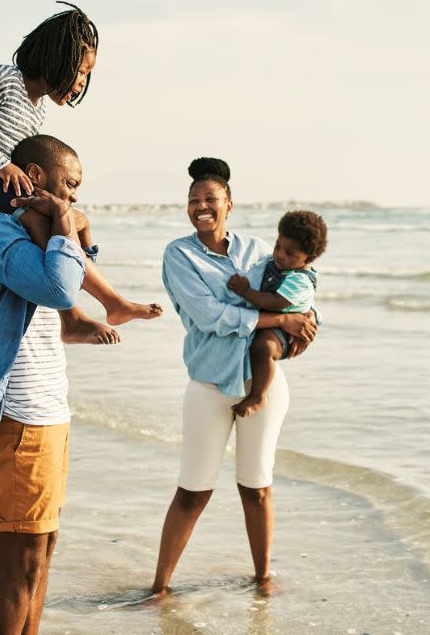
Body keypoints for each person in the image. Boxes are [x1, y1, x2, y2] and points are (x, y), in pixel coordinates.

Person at [0, 1, 161, 345]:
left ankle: (94, 297)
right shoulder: (4, 79)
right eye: (80, 71)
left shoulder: (37, 111)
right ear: (57, 58)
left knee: (69, 217)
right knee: (43, 217)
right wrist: (1, 164)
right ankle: (85, 312)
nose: (82, 83)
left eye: (87, 75)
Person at [0, 134, 99, 635]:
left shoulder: (37, 232)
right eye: (69, 186)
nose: (74, 197)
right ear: (34, 175)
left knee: (41, 555)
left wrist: (64, 223)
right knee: (19, 566)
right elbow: (57, 285)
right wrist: (62, 224)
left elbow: (71, 281)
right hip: (19, 419)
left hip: (50, 414)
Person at [151, 158, 319, 595]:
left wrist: (307, 320)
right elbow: (210, 317)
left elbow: (293, 289)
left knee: (256, 487)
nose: (200, 206)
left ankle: (263, 577)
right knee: (193, 491)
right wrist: (279, 321)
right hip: (209, 384)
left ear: (229, 204)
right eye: (193, 201)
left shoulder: (258, 248)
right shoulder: (179, 254)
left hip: (261, 385)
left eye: (210, 199)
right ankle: (160, 587)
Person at [226, 210, 327, 418]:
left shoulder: (300, 280)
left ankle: (259, 396)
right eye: (278, 246)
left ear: (310, 258)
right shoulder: (275, 264)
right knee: (260, 345)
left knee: (263, 348)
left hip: (286, 331)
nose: (280, 254)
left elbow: (275, 302)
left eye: (290, 253)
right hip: (277, 322)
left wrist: (246, 292)